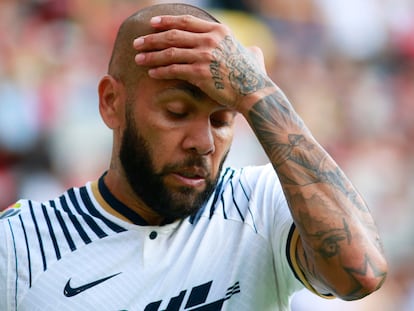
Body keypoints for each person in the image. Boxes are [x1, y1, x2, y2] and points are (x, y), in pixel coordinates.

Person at [0, 3, 388, 310]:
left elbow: (361, 273)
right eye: (177, 112)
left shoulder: (260, 203)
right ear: (111, 102)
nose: (203, 142)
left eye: (222, 119)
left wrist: (259, 93)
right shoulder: (18, 247)